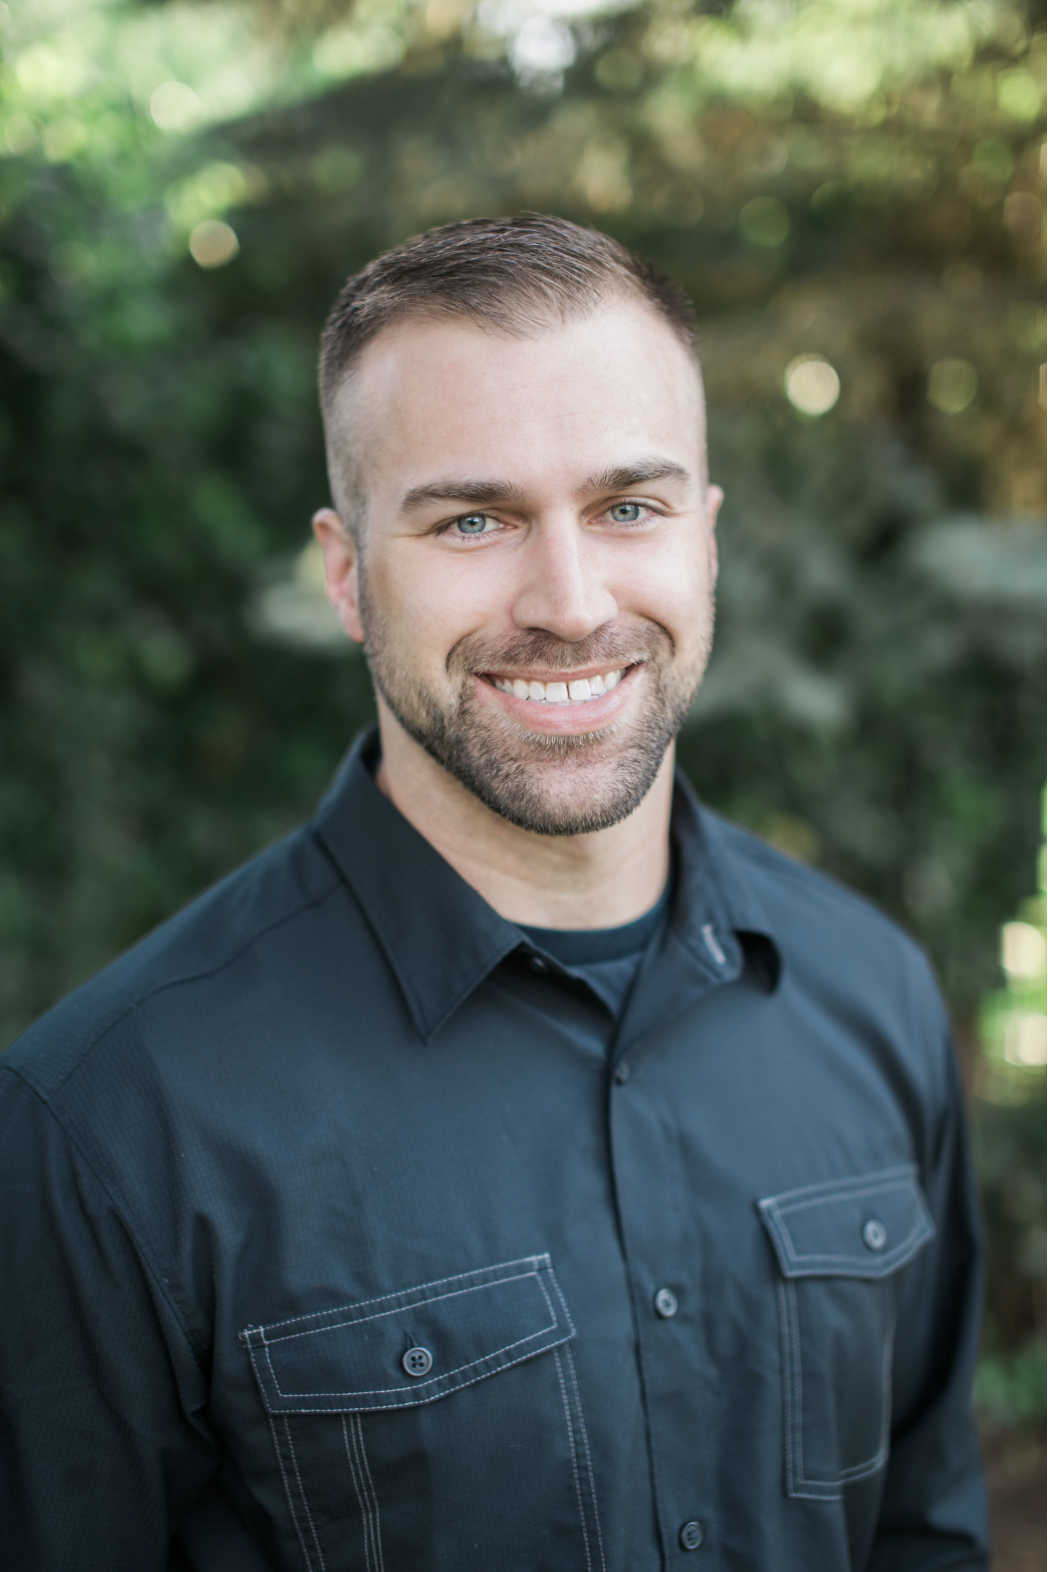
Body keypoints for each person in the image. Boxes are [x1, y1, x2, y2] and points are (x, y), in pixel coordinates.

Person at [0, 215, 987, 1571]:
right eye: (475, 519)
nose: (571, 602)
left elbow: (921, 1536)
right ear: (350, 576)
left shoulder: (869, 994)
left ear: (704, 540)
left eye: (628, 506)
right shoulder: (109, 1124)